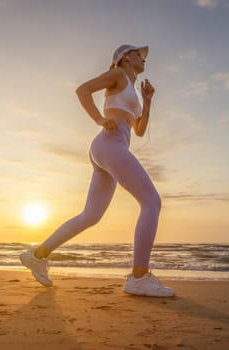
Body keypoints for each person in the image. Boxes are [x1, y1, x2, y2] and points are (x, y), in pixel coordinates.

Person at [20, 44, 174, 297]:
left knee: (91, 215)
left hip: (108, 148)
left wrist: (147, 102)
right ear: (125, 58)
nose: (143, 58)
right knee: (151, 202)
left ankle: (37, 255)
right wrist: (100, 120)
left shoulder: (132, 91)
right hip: (109, 143)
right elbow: (83, 90)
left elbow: (139, 130)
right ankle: (139, 277)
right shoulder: (117, 75)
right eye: (138, 54)